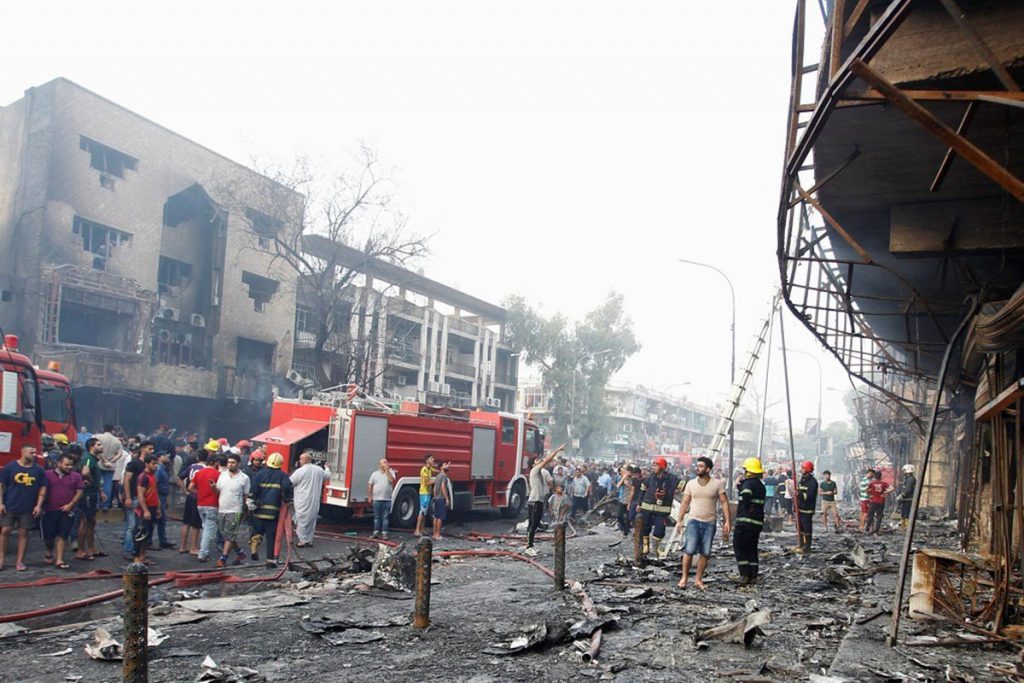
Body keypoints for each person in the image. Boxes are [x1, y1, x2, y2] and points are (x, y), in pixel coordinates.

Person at [676, 456, 730, 590]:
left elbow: (724, 502)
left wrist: (728, 521)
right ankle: (684, 578)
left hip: (710, 522)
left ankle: (698, 580)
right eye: (697, 466)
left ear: (708, 469)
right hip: (693, 520)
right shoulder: (691, 484)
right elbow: (685, 502)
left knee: (705, 552)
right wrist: (679, 520)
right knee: (689, 550)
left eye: (700, 466)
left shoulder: (717, 484)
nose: (697, 468)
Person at [249, 452, 294, 567]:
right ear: (280, 464)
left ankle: (255, 543)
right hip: (273, 512)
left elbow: (253, 490)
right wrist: (287, 499)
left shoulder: (259, 474)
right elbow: (287, 488)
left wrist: (251, 502)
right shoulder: (283, 476)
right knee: (271, 537)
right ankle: (270, 562)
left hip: (258, 510)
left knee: (258, 530)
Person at [42, 454, 84, 569]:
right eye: (66, 465)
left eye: (71, 465)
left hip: (67, 510)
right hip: (50, 509)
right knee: (49, 536)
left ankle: (59, 559)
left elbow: (79, 492)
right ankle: (49, 551)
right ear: (59, 463)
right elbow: (42, 490)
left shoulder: (76, 476)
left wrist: (70, 504)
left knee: (63, 535)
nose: (69, 467)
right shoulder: (47, 475)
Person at [525, 444, 564, 556]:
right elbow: (548, 460)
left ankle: (530, 544)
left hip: (538, 501)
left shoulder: (539, 472)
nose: (540, 460)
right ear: (533, 463)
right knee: (533, 524)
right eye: (537, 460)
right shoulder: (535, 469)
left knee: (535, 524)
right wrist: (556, 450)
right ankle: (529, 546)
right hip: (535, 501)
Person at [732, 458, 766, 586]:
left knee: (739, 547)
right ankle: (753, 576)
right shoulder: (760, 485)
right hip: (757, 523)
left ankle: (744, 575)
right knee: (752, 548)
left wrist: (741, 490)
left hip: (745, 522)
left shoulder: (748, 484)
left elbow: (745, 496)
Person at [638, 457, 680, 558]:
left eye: (656, 465)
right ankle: (645, 546)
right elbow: (642, 490)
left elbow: (684, 487)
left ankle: (656, 547)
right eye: (653, 465)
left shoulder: (672, 479)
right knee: (645, 527)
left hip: (662, 510)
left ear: (662, 467)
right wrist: (639, 503)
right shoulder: (649, 478)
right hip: (647, 507)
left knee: (660, 530)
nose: (653, 467)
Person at [214, 451, 250, 567]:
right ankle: (240, 552)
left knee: (229, 535)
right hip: (222, 508)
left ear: (238, 463)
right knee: (226, 535)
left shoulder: (244, 478)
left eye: (233, 462)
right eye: (229, 462)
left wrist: (245, 510)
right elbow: (218, 491)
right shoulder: (222, 475)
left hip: (235, 509)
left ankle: (223, 558)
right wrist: (213, 488)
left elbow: (246, 495)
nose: (230, 464)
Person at [290, 451, 330, 547]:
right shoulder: (319, 470)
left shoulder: (300, 471)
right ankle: (309, 539)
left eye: (300, 459)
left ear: (305, 460)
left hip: (302, 499)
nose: (299, 461)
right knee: (312, 519)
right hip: (315, 499)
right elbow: (327, 476)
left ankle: (302, 540)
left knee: (302, 519)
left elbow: (290, 482)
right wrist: (327, 468)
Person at [190, 451, 222, 562]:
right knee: (208, 530)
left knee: (206, 527)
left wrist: (200, 493)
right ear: (215, 462)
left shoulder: (199, 473)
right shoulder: (218, 474)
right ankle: (203, 554)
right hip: (212, 504)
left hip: (200, 504)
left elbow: (191, 487)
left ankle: (203, 550)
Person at [178, 447, 210, 555]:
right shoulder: (205, 469)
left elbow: (180, 478)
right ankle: (194, 547)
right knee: (196, 523)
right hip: (198, 496)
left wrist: (185, 491)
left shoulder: (191, 467)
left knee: (186, 521)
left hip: (189, 496)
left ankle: (182, 546)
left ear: (197, 457)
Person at [121, 442, 150, 558]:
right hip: (133, 497)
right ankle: (129, 550)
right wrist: (127, 497)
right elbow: (126, 480)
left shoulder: (147, 465)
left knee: (139, 526)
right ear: (143, 449)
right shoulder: (134, 464)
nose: (152, 451)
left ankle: (137, 551)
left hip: (141, 499)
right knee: (131, 526)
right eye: (150, 448)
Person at [76, 441, 104, 560]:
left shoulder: (94, 460)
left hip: (93, 494)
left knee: (91, 520)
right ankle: (81, 550)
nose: (101, 446)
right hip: (87, 495)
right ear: (91, 447)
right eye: (99, 444)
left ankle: (91, 548)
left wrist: (99, 491)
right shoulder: (88, 459)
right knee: (85, 521)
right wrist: (91, 480)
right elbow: (85, 471)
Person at [132, 455, 161, 564]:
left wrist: (158, 508)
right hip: (144, 509)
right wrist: (145, 510)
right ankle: (136, 558)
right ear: (147, 463)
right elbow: (140, 495)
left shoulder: (153, 476)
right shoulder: (143, 477)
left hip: (153, 507)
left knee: (147, 535)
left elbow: (155, 492)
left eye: (156, 463)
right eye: (153, 464)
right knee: (140, 535)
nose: (155, 466)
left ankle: (142, 556)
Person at [367, 458, 396, 539]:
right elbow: (370, 485)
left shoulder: (391, 472)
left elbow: (391, 480)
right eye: (384, 462)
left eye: (387, 462)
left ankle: (385, 533)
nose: (386, 464)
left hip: (387, 499)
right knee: (377, 517)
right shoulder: (374, 474)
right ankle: (376, 532)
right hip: (377, 499)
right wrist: (370, 496)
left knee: (385, 517)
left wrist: (387, 471)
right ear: (380, 465)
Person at [95, 424, 122, 510]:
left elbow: (95, 450)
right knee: (108, 485)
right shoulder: (117, 441)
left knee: (97, 483)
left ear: (103, 429)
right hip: (110, 466)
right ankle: (105, 505)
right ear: (112, 430)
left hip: (99, 464)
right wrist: (112, 461)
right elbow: (120, 453)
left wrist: (104, 460)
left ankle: (97, 504)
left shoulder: (98, 437)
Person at [797, 460, 819, 555]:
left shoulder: (812, 482)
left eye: (803, 468)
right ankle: (801, 544)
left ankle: (807, 546)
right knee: (800, 527)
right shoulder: (802, 480)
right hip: (800, 507)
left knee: (807, 528)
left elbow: (810, 495)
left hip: (807, 508)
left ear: (808, 469)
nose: (801, 470)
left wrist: (799, 494)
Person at [154, 452, 175, 549]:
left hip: (162, 496)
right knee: (157, 519)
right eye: (165, 455)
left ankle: (163, 540)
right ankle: (150, 542)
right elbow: (155, 485)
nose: (167, 456)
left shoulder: (162, 469)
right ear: (159, 457)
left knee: (162, 520)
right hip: (159, 496)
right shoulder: (158, 469)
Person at [414, 454, 438, 537]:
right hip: (424, 492)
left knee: (424, 512)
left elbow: (435, 470)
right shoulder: (424, 470)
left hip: (427, 493)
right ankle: (417, 530)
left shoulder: (429, 469)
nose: (433, 460)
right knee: (422, 511)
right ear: (427, 460)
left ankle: (422, 529)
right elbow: (428, 482)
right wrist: (437, 480)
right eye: (431, 459)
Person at [866, 470, 891, 535]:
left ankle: (867, 528)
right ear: (881, 476)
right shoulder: (884, 483)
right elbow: (892, 488)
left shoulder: (872, 483)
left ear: (874, 476)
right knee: (879, 516)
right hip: (881, 501)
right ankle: (876, 530)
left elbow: (867, 490)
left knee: (870, 515)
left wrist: (870, 496)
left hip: (873, 501)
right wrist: (885, 493)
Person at [432, 461, 452, 540]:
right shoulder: (444, 476)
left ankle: (434, 534)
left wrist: (435, 496)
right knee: (440, 517)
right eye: (445, 465)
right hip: (441, 498)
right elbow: (443, 487)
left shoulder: (438, 476)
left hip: (436, 498)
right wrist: (447, 498)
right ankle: (438, 535)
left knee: (435, 517)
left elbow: (434, 488)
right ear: (441, 467)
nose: (446, 466)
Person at [615, 465, 633, 537]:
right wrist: (624, 478)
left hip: (629, 501)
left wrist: (628, 485)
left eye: (627, 471)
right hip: (622, 500)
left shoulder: (633, 480)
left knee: (628, 518)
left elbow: (633, 489)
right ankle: (624, 529)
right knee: (619, 516)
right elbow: (618, 486)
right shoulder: (623, 479)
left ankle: (625, 532)